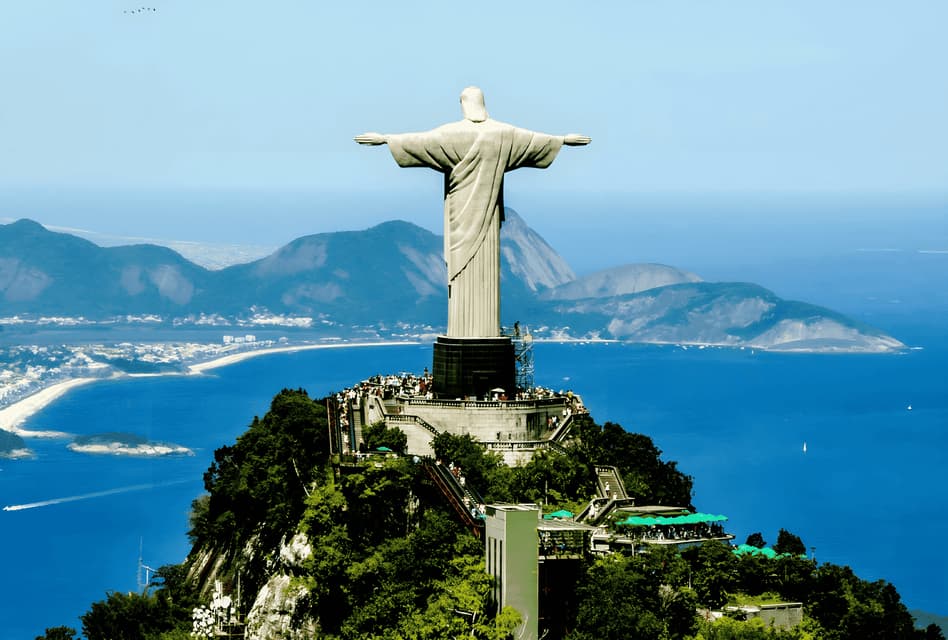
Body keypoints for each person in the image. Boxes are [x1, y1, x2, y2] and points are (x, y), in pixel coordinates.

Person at [356, 87, 589, 337]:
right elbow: (533, 141)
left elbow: (419, 142)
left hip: (460, 217)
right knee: (481, 274)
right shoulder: (503, 134)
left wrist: (386, 139)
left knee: (460, 273)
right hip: (488, 221)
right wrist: (562, 140)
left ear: (464, 104)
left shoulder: (451, 134)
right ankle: (482, 331)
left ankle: (464, 332)